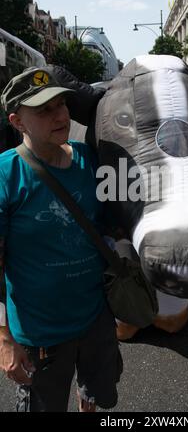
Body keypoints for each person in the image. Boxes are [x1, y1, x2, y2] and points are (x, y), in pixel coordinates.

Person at [0, 68, 122, 412]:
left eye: (62, 104)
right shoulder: (5, 174)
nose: (60, 115)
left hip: (96, 317)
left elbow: (115, 219)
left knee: (96, 393)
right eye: (44, 110)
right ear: (18, 122)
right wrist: (3, 337)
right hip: (42, 332)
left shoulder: (91, 160)